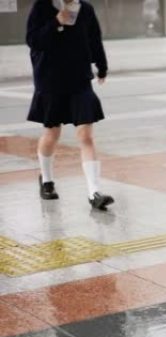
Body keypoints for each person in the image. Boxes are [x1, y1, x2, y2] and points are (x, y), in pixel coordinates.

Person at [26, 0, 114, 210]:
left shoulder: (86, 9)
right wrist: (56, 21)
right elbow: (33, 40)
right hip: (50, 79)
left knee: (86, 135)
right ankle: (46, 180)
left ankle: (94, 193)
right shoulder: (42, 6)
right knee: (52, 134)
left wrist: (101, 66)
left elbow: (94, 39)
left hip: (79, 79)